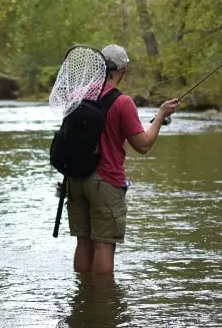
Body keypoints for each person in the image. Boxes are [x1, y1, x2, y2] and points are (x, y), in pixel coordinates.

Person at [66, 44, 180, 275]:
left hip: (74, 178)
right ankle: (103, 302)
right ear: (124, 70)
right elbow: (143, 145)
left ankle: (84, 298)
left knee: (83, 241)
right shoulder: (123, 103)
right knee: (104, 244)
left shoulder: (76, 95)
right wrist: (160, 116)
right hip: (106, 180)